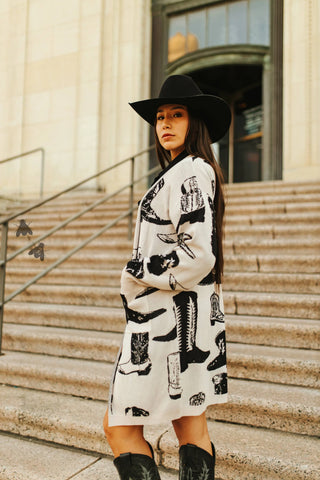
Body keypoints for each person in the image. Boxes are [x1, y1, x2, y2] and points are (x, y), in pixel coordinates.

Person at [103, 74, 231, 480]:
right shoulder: (188, 170)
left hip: (170, 319)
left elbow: (198, 254)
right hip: (180, 317)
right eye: (160, 117)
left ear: (195, 123)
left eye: (177, 115)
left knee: (119, 427)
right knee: (189, 422)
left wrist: (136, 273)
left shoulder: (191, 171)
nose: (165, 124)